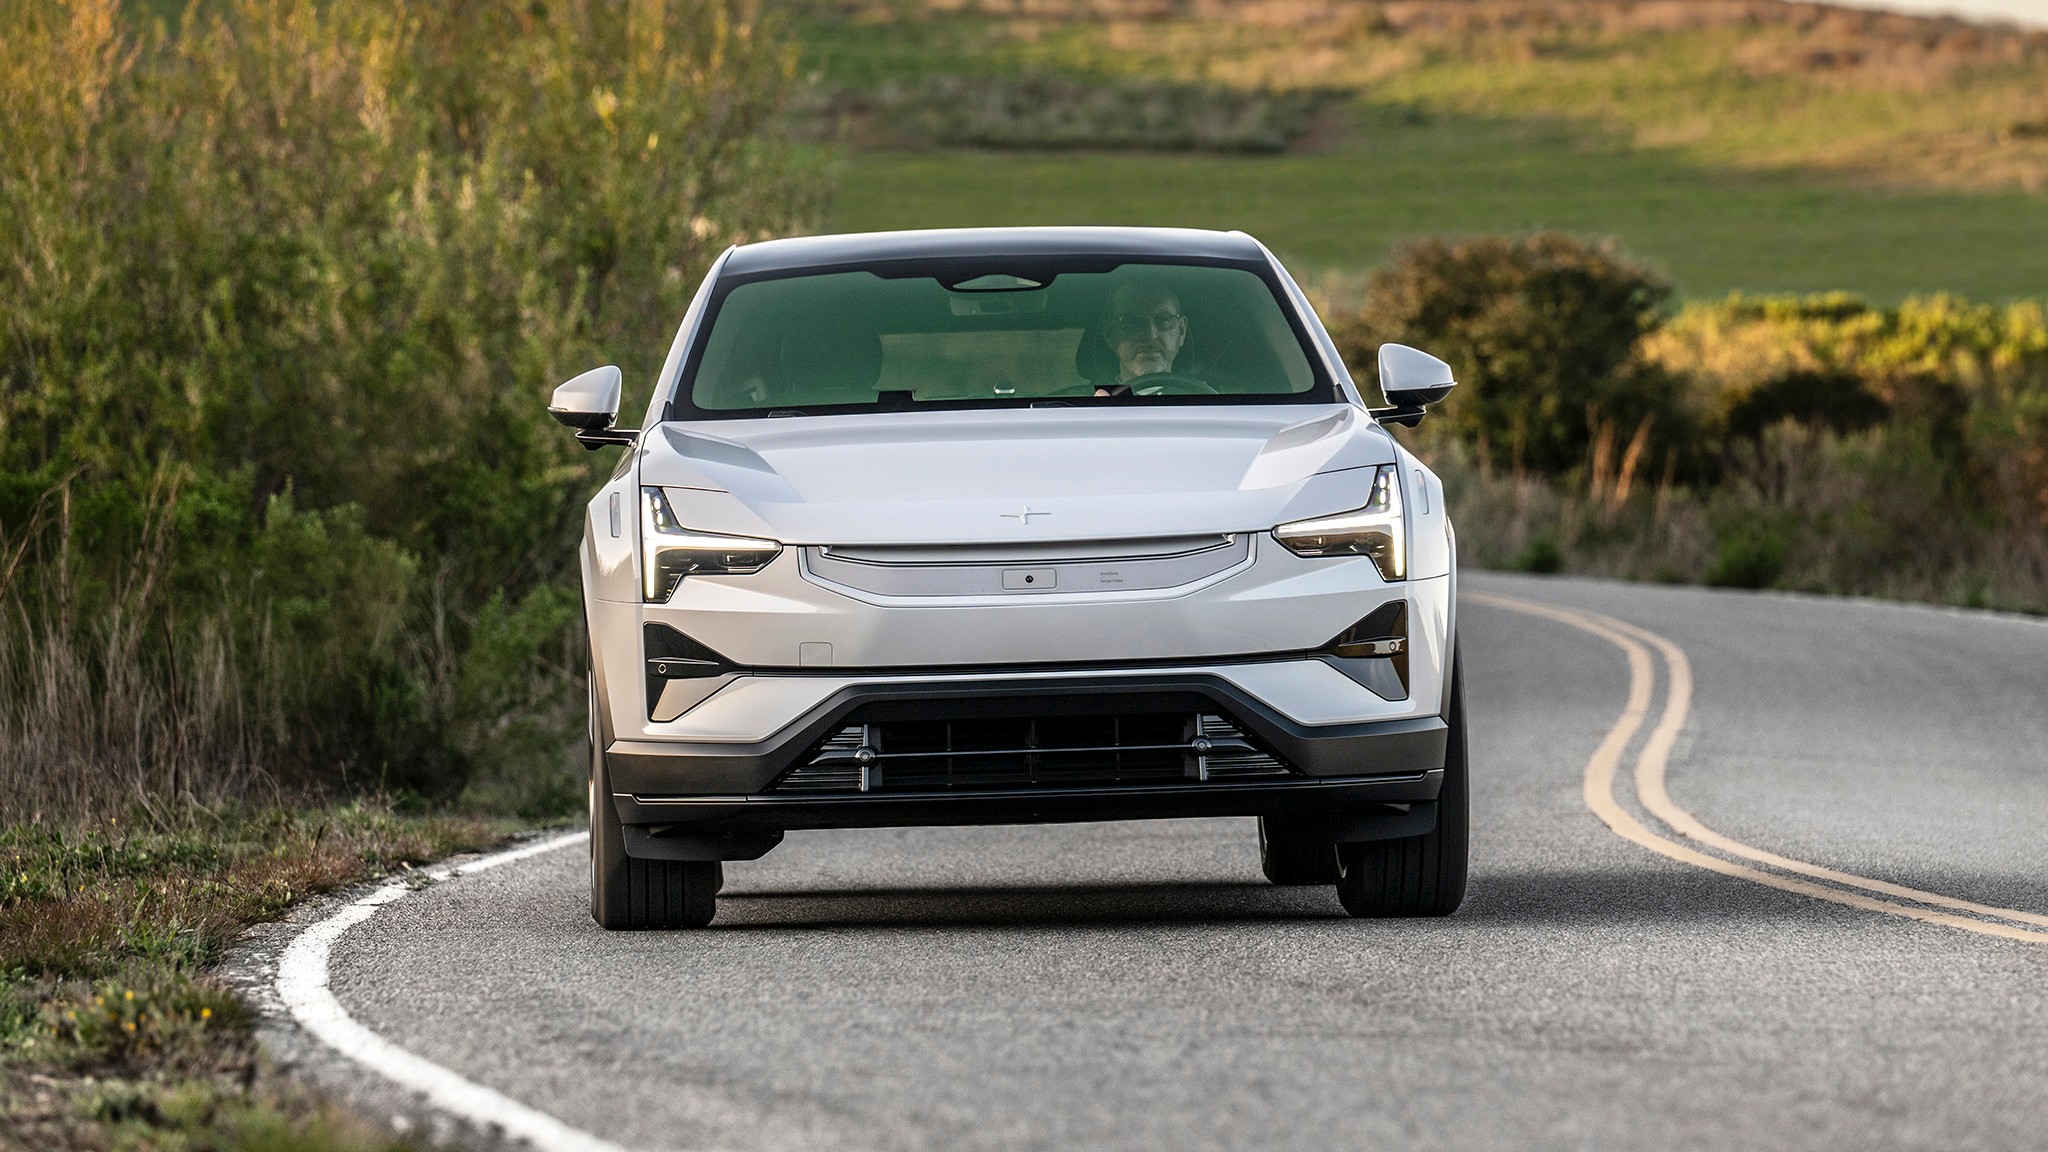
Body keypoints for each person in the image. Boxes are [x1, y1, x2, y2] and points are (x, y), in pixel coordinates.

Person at [1094, 282, 1193, 396]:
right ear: (1109, 334)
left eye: (1164, 320)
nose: (1151, 335)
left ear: (1181, 331)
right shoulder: (1078, 405)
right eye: (1134, 322)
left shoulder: (1209, 403)